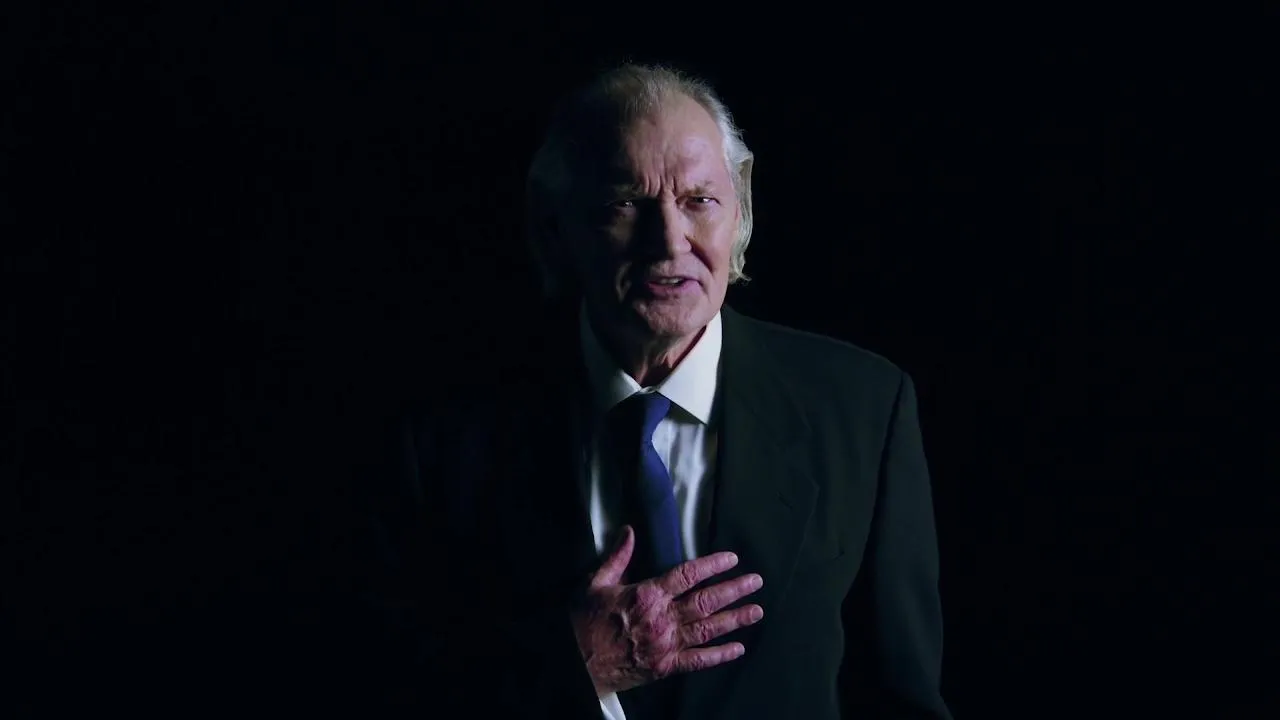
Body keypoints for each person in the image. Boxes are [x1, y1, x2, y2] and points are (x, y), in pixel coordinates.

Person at [358, 63, 953, 719]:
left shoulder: (865, 408)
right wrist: (572, 665)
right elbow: (378, 685)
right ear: (556, 226)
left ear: (740, 211)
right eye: (625, 204)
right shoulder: (442, 437)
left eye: (699, 200)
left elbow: (902, 699)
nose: (669, 241)